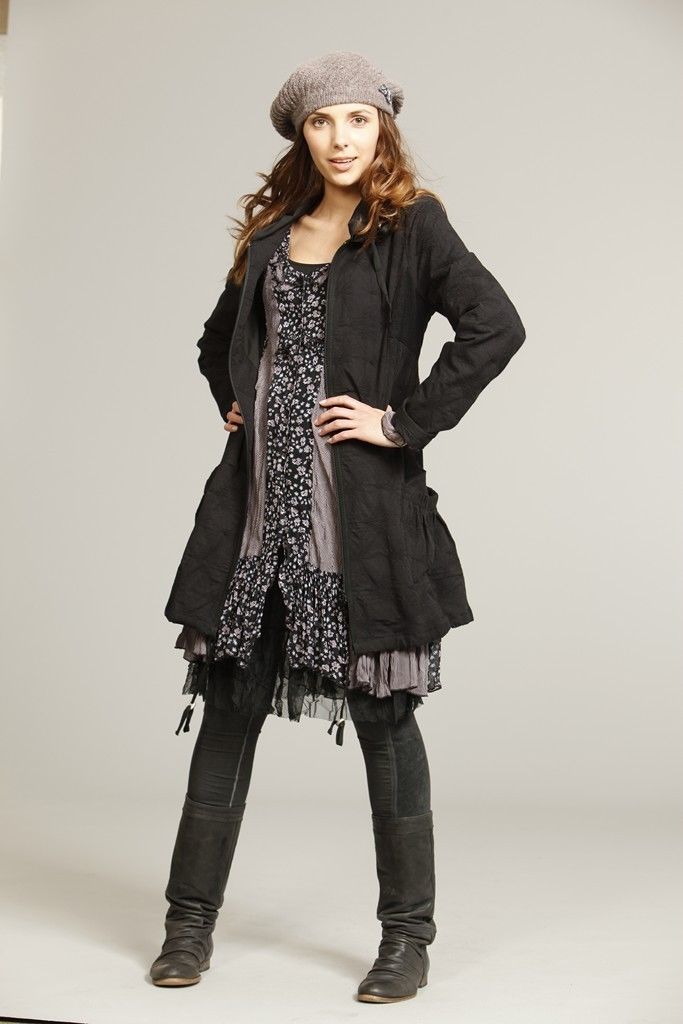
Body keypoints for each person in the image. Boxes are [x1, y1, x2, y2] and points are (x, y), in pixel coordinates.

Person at [150, 51, 526, 1003]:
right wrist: (238, 397)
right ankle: (186, 929)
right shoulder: (273, 236)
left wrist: (401, 422)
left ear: (382, 127)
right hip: (255, 521)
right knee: (226, 717)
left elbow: (494, 326)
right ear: (301, 136)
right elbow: (217, 341)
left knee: (385, 726)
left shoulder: (412, 227)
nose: (341, 138)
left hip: (358, 524)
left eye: (357, 119)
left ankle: (406, 941)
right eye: (322, 122)